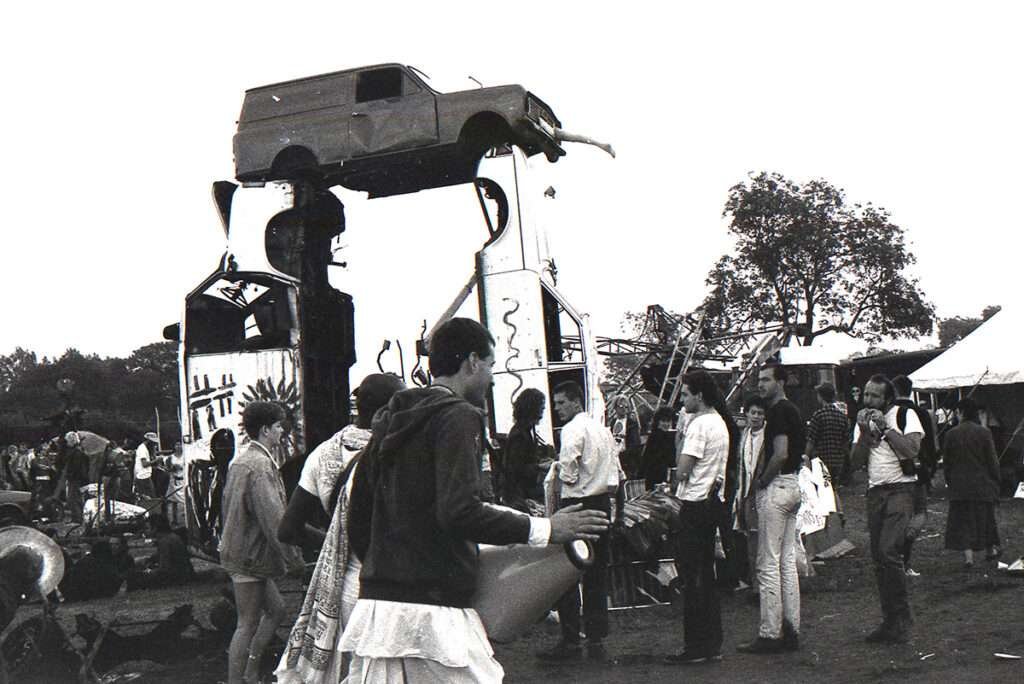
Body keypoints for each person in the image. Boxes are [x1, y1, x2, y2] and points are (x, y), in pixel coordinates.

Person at [339, 317, 608, 682]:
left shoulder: (391, 419)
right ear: (472, 361)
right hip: (434, 610)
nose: (493, 378)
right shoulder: (458, 416)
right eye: (492, 365)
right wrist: (546, 529)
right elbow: (459, 510)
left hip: (380, 609)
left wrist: (387, 565)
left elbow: (358, 513)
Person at [276, 373, 405, 684]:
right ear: (384, 411)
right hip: (392, 584)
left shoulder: (323, 454)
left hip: (344, 586)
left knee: (351, 673)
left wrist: (336, 541)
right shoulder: (397, 451)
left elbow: (288, 528)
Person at [221, 401, 305, 684]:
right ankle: (240, 679)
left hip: (244, 552)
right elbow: (274, 520)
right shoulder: (259, 466)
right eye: (280, 426)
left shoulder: (243, 460)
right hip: (249, 556)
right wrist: (295, 560)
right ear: (266, 429)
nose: (283, 432)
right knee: (246, 623)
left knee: (277, 610)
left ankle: (250, 672)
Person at [539, 380, 617, 663]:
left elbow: (569, 473)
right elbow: (616, 474)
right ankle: (596, 635)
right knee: (597, 572)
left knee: (569, 571)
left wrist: (557, 470)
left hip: (577, 502)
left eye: (561, 403)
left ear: (575, 401)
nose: (557, 409)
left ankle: (570, 638)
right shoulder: (603, 431)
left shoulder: (572, 430)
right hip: (602, 502)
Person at [663, 370, 730, 666]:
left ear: (699, 395)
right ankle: (711, 642)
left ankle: (696, 645)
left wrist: (680, 435)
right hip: (712, 502)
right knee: (706, 575)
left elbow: (682, 470)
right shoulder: (719, 422)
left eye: (687, 394)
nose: (683, 401)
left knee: (693, 577)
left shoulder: (699, 425)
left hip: (694, 504)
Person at [737, 365, 805, 654]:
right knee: (786, 561)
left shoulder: (777, 412)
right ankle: (791, 627)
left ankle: (770, 632)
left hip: (776, 487)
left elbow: (780, 454)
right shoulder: (794, 410)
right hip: (793, 485)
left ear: (780, 381)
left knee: (767, 563)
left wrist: (761, 483)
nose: (761, 385)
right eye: (759, 380)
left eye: (766, 380)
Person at [850, 374, 922, 644]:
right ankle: (890, 621)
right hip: (875, 491)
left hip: (901, 489)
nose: (868, 400)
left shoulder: (904, 414)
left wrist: (888, 430)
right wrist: (863, 434)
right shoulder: (862, 421)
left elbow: (912, 450)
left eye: (875, 396)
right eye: (866, 395)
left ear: (887, 398)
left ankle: (903, 619)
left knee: (890, 551)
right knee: (879, 557)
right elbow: (854, 463)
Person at [941, 397, 1001, 576]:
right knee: (986, 518)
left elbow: (947, 463)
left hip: (960, 486)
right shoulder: (984, 433)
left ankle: (969, 558)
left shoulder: (951, 434)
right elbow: (992, 460)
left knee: (963, 522)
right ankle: (990, 551)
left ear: (960, 413)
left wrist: (950, 482)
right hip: (982, 484)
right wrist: (996, 479)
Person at [892, 375, 937, 577]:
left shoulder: (889, 412)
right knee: (919, 512)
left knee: (899, 515)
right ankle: (905, 553)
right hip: (918, 470)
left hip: (894, 471)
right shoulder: (921, 413)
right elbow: (931, 444)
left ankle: (898, 555)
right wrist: (931, 468)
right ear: (910, 390)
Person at [499, 388, 554, 513]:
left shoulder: (527, 430)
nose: (543, 411)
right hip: (518, 494)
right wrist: (540, 466)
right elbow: (515, 469)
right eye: (542, 407)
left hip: (522, 492)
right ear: (533, 408)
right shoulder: (520, 434)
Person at [733, 396, 768, 592]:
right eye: (753, 412)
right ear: (746, 413)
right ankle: (756, 584)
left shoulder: (768, 436)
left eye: (760, 413)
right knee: (751, 540)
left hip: (762, 492)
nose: (756, 417)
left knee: (763, 540)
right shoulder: (745, 435)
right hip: (746, 494)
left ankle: (763, 585)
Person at [126, 514, 194, 590]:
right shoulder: (172, 536)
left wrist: (147, 571)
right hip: (183, 573)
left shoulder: (164, 541)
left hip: (176, 577)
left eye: (147, 528)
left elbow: (165, 569)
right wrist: (149, 560)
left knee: (132, 575)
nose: (144, 531)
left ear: (155, 528)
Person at [804, 382, 850, 485]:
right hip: (838, 461)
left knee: (823, 488)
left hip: (821, 460)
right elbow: (846, 441)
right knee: (833, 488)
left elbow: (811, 440)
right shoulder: (842, 416)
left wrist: (806, 457)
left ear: (820, 397)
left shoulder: (818, 415)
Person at [639, 407, 677, 489]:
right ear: (658, 422)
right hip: (653, 475)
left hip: (662, 474)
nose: (666, 424)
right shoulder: (655, 436)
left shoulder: (669, 436)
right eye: (663, 421)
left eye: (668, 421)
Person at [134, 432, 158, 499]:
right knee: (149, 498)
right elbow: (144, 464)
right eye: (153, 443)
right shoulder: (142, 449)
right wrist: (156, 460)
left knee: (150, 497)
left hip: (146, 475)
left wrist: (154, 453)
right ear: (148, 441)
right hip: (143, 477)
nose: (154, 444)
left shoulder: (146, 449)